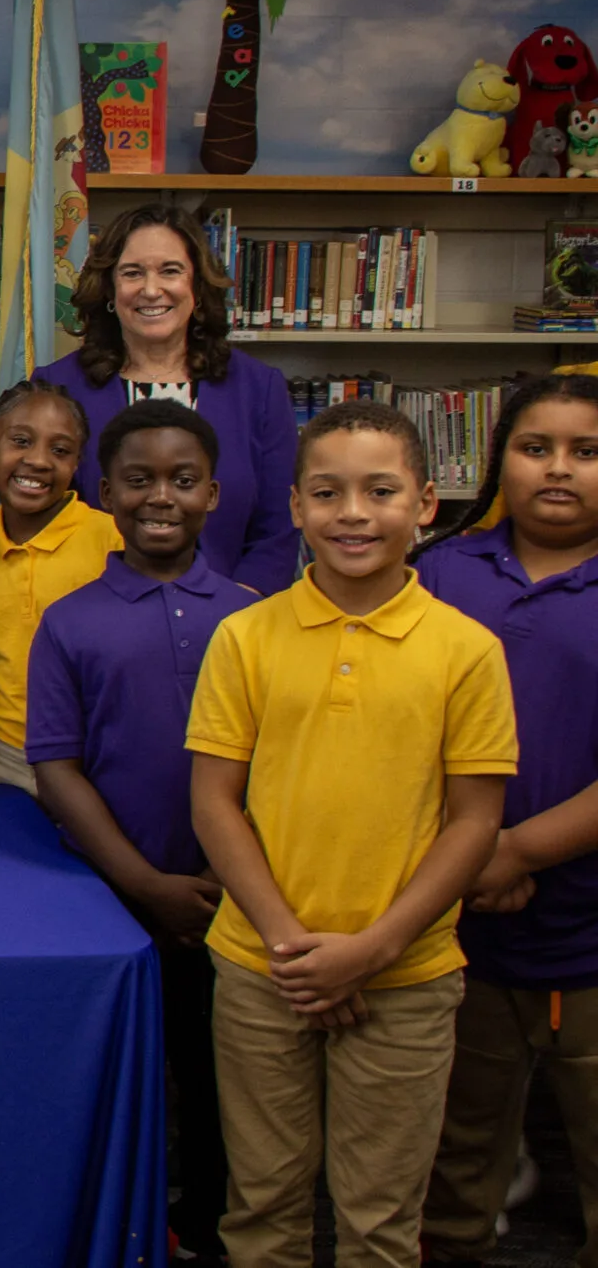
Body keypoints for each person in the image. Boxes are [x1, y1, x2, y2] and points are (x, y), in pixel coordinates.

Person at [189, 401, 517, 1268]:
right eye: (328, 492)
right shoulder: (244, 636)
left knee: (378, 1221)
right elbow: (215, 803)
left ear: (426, 505)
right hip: (265, 969)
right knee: (262, 1209)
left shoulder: (467, 649)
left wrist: (370, 948)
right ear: (296, 507)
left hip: (404, 976)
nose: (354, 513)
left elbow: (475, 819)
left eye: (381, 491)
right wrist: (296, 946)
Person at [26, 401, 257, 1264]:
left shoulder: (251, 612)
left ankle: (210, 1226)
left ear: (214, 494)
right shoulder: (71, 619)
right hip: (112, 898)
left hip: (231, 894)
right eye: (140, 478)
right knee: (118, 1077)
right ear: (105, 491)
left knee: (217, 1079)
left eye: (183, 479)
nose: (162, 495)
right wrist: (145, 883)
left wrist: (226, 879)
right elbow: (57, 767)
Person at [417, 374, 598, 1267]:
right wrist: (469, 859)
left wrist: (515, 846)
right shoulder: (444, 570)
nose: (558, 469)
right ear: (500, 461)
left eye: (586, 451)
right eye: (536, 448)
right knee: (457, 1160)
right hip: (457, 927)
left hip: (589, 931)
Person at [37, 204, 301, 596]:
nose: (150, 289)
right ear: (109, 288)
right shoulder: (57, 389)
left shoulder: (258, 389)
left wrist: (232, 615)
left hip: (232, 624)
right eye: (132, 273)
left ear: (196, 285)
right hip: (97, 621)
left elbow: (279, 530)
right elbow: (42, 524)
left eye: (170, 270)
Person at [0, 380, 119, 791]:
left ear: (76, 464)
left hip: (93, 760)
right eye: (20, 440)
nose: (37, 461)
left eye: (60, 450)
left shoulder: (114, 540)